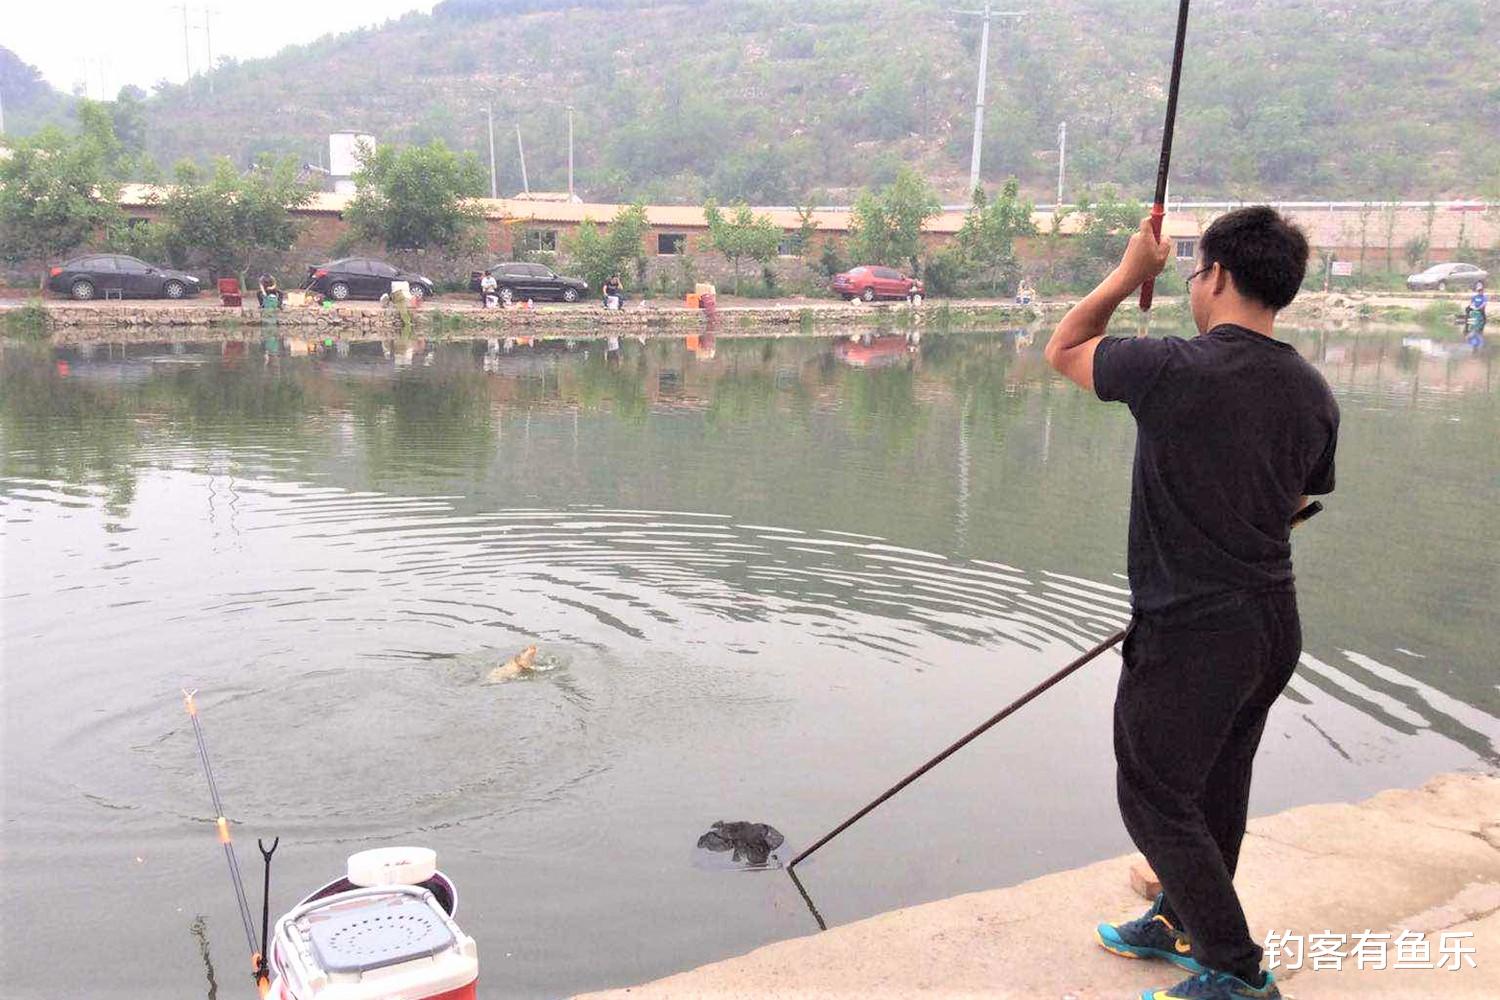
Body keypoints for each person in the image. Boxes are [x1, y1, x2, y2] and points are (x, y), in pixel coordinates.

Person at [1044, 206, 1338, 1000]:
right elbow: (1297, 505)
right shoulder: (1312, 390)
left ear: (1217, 275)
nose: (1190, 286)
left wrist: (1128, 274)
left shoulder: (1172, 368)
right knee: (1217, 785)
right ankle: (1180, 921)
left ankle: (1237, 972)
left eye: (1191, 273)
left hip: (1194, 632)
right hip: (1272, 623)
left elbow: (1063, 348)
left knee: (1153, 796)